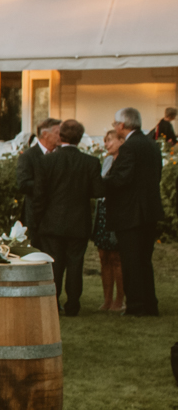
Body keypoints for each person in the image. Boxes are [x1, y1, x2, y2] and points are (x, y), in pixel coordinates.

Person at [31, 119, 101, 317]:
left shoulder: (47, 161)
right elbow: (98, 190)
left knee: (55, 264)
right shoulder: (90, 162)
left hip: (52, 222)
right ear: (79, 139)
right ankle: (73, 304)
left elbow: (39, 195)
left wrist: (37, 221)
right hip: (79, 221)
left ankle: (53, 301)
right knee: (75, 264)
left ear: (60, 136)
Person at [103, 106, 163, 317]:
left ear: (122, 125)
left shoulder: (129, 147)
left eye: (114, 124)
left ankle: (136, 306)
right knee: (144, 260)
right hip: (150, 210)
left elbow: (121, 179)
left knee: (131, 260)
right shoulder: (152, 144)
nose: (114, 128)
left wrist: (101, 184)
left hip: (130, 213)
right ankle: (149, 303)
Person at [95, 128, 125, 313]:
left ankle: (119, 299)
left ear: (121, 140)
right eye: (105, 141)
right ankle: (106, 299)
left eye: (109, 140)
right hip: (102, 210)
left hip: (117, 211)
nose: (106, 144)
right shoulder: (107, 160)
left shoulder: (124, 162)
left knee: (116, 257)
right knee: (103, 256)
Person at [15, 117, 59, 227]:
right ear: (45, 134)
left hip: (60, 217)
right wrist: (51, 185)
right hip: (37, 216)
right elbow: (23, 184)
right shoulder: (28, 156)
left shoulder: (63, 155)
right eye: (57, 133)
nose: (61, 136)